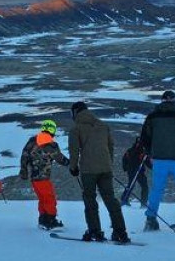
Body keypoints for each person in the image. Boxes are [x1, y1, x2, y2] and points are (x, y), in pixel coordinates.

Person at [68, 102, 131, 244]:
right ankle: (120, 232)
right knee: (111, 199)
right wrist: (108, 163)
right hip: (105, 168)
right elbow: (110, 146)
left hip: (88, 170)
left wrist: (73, 167)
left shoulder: (76, 129)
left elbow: (74, 150)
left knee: (90, 199)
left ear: (75, 112)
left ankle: (95, 231)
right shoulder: (103, 125)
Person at [139, 90, 175, 231]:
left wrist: (150, 154)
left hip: (159, 159)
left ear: (163, 100)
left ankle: (151, 219)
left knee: (156, 190)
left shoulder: (152, 116)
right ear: (171, 100)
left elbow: (144, 138)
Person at [21, 119, 69, 228]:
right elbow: (59, 158)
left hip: (34, 177)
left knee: (43, 198)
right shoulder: (51, 144)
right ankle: (51, 220)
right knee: (49, 198)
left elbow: (24, 156)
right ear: (52, 130)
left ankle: (43, 219)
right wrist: (70, 164)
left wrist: (23, 169)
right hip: (43, 176)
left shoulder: (32, 141)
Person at [121, 139, 149, 207]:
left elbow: (147, 161)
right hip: (132, 171)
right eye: (138, 143)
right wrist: (126, 168)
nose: (138, 144)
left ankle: (143, 202)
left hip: (140, 171)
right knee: (131, 185)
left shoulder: (144, 152)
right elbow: (124, 159)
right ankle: (124, 200)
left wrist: (152, 167)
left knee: (144, 186)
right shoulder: (130, 151)